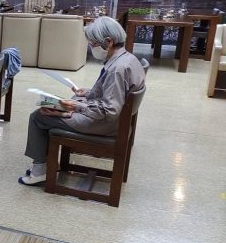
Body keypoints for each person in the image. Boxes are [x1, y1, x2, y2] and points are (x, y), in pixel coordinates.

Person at [19, 16, 146, 185]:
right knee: (66, 103)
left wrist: (76, 107)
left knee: (38, 116)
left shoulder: (117, 69)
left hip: (106, 124)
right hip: (117, 121)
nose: (91, 48)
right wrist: (89, 93)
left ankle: (40, 171)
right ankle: (48, 162)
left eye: (93, 44)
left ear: (108, 42)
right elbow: (115, 94)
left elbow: (109, 111)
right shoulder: (128, 58)